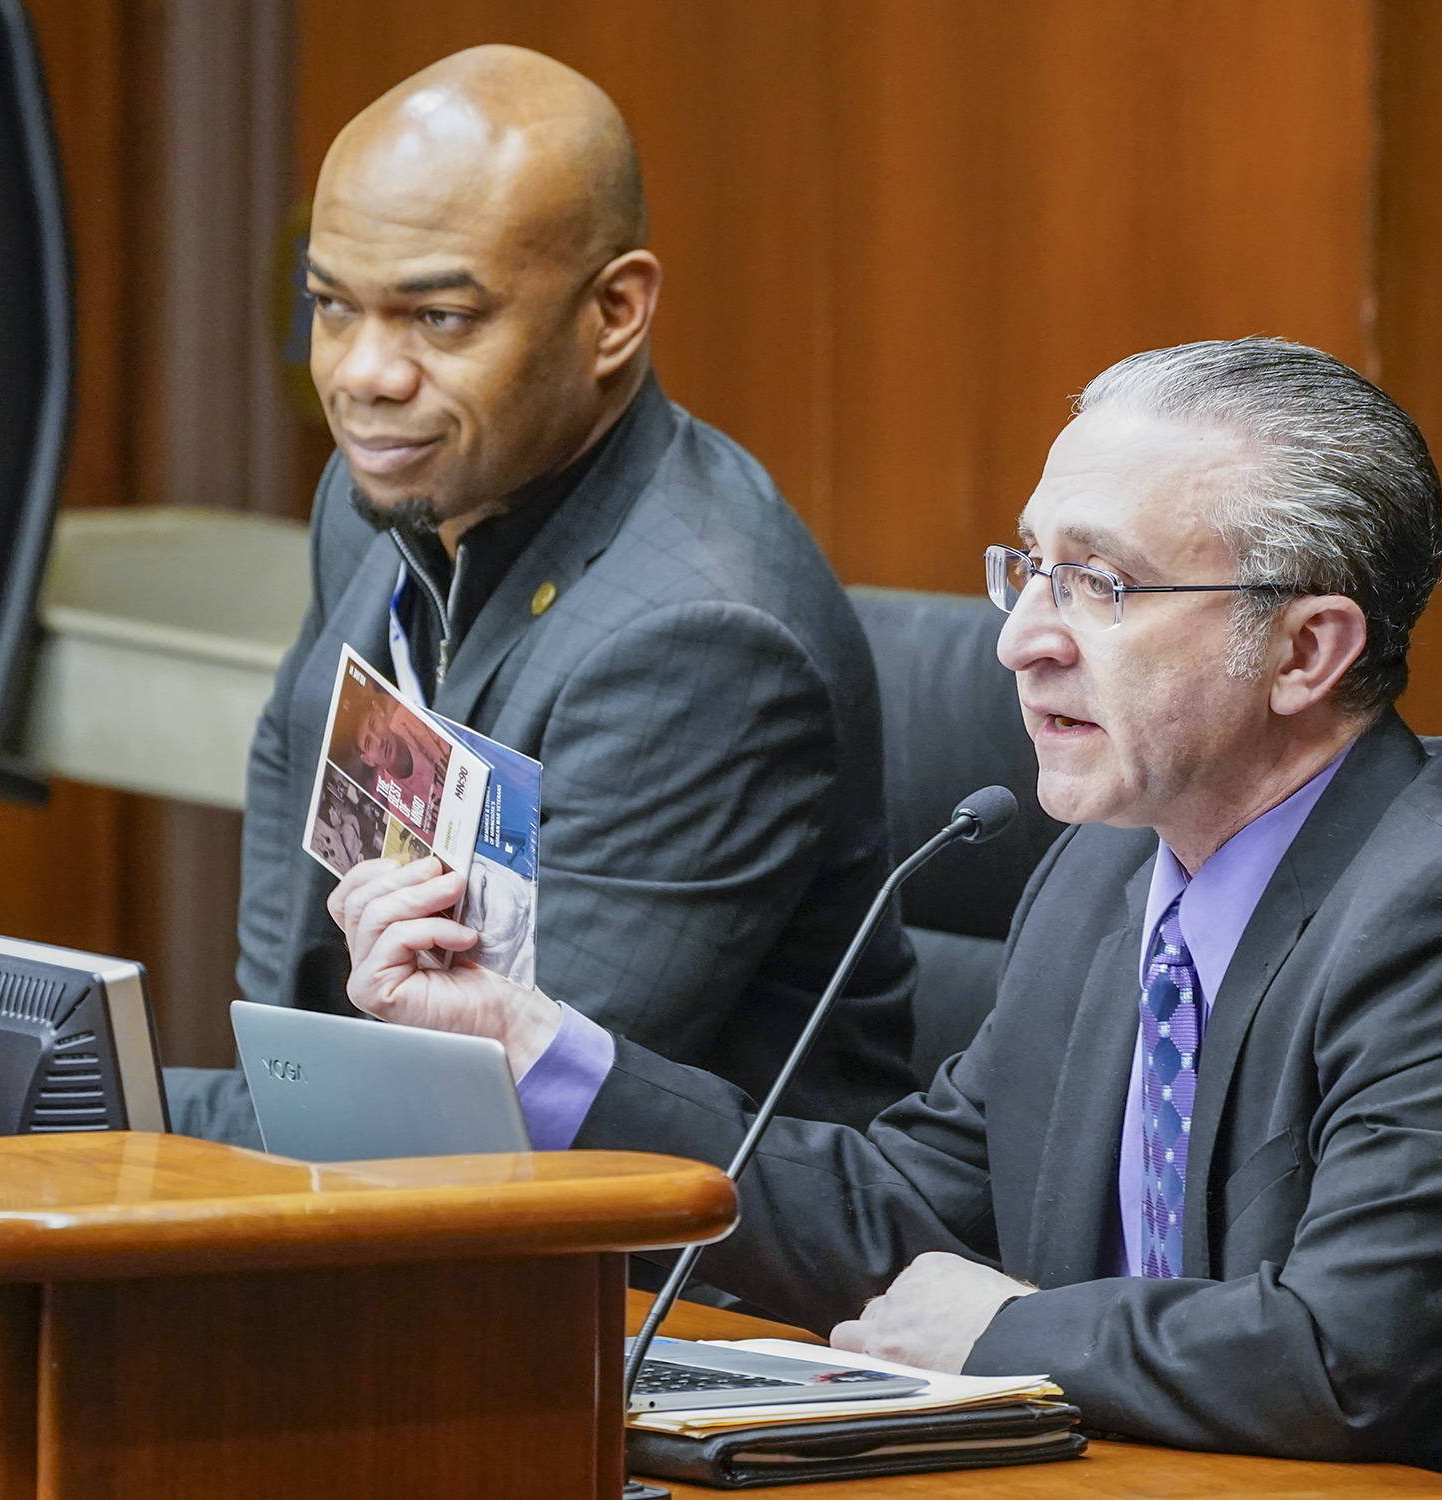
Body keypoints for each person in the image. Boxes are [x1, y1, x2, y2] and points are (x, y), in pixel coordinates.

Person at [329, 339, 1442, 1497]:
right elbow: (900, 1214)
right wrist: (532, 1046)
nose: (1025, 636)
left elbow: (1355, 1360)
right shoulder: (1102, 872)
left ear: (1309, 649)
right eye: (1028, 568)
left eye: (1105, 583)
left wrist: (1002, 1332)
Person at [178, 44, 916, 1142]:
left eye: (438, 319)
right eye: (333, 306)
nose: (362, 376)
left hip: (656, 1278)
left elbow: (492, 1115)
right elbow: (298, 850)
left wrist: (138, 1128)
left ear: (614, 313)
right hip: (380, 1185)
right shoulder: (384, 494)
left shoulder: (703, 641)